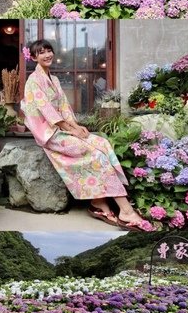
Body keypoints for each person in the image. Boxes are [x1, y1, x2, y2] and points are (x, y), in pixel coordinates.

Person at [21, 39, 146, 230]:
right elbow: (46, 109)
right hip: (50, 133)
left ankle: (99, 203)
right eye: (41, 52)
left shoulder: (53, 79)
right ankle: (125, 210)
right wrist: (70, 130)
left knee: (102, 143)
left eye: (49, 51)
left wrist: (76, 126)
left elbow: (63, 106)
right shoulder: (33, 81)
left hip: (62, 127)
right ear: (33, 57)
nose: (47, 55)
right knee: (95, 155)